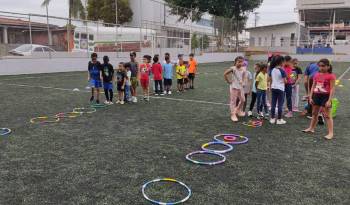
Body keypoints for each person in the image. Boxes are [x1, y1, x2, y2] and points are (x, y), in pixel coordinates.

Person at [303, 59, 336, 140]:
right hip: (316, 95)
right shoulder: (316, 75)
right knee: (314, 113)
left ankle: (330, 133)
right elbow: (313, 86)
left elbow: (332, 89)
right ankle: (311, 128)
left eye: (323, 66)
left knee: (327, 115)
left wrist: (329, 100)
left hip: (325, 97)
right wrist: (310, 97)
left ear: (328, 66)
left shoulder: (331, 76)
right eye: (320, 66)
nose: (321, 67)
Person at [224, 56, 247, 122]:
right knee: (233, 101)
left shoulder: (243, 69)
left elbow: (243, 76)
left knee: (243, 100)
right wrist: (228, 81)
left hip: (240, 87)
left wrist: (242, 82)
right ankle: (233, 114)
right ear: (235, 62)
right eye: (238, 62)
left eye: (241, 62)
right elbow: (225, 74)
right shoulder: (233, 68)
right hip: (234, 87)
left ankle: (238, 110)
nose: (240, 63)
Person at [269, 55, 287, 125]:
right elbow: (285, 81)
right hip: (280, 89)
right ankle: (279, 119)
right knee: (280, 104)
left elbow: (270, 79)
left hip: (273, 88)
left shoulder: (272, 69)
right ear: (281, 62)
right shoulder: (282, 70)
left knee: (273, 104)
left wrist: (270, 87)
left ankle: (272, 118)